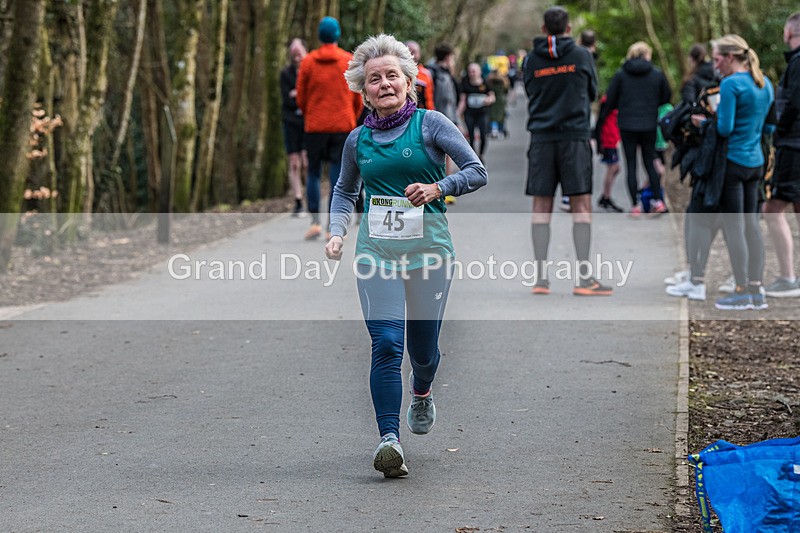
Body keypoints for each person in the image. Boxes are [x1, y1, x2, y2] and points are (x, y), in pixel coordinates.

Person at [325, 34, 487, 477]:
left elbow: (477, 171)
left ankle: (422, 389)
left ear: (408, 81)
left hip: (429, 253)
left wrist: (438, 188)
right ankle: (389, 440)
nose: (384, 84)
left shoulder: (432, 124)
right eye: (374, 79)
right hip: (376, 253)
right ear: (364, 90)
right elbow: (344, 191)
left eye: (391, 76)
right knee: (386, 343)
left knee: (423, 351)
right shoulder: (357, 140)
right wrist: (337, 232)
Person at [524, 6, 612, 296]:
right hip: (575, 138)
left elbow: (529, 91)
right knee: (581, 207)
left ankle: (541, 280)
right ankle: (584, 279)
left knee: (541, 207)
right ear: (569, 29)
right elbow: (592, 92)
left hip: (541, 139)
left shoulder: (531, 59)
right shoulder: (582, 56)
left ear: (543, 28)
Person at [689, 35, 774, 310]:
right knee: (752, 226)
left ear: (730, 57)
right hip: (755, 162)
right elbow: (769, 126)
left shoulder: (730, 84)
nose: (715, 66)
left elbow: (724, 128)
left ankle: (740, 291)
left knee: (734, 226)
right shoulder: (765, 83)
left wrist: (704, 124)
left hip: (732, 164)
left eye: (717, 60)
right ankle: (756, 289)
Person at [296, 17, 363, 240]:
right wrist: (350, 117)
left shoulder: (308, 62)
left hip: (314, 125)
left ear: (319, 35)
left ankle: (315, 222)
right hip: (342, 125)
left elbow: (301, 97)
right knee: (338, 175)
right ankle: (332, 228)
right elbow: (358, 97)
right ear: (337, 34)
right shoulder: (348, 60)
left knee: (313, 173)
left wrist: (310, 114)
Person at [597, 41, 671, 217]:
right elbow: (666, 96)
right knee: (649, 162)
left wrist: (599, 126)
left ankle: (635, 205)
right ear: (647, 55)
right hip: (649, 123)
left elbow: (610, 101)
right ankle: (657, 201)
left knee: (631, 164)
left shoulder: (621, 75)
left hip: (627, 124)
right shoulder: (657, 74)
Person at [764, 12, 800, 298]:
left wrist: (779, 131)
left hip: (794, 147)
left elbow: (793, 104)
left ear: (788, 33)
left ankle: (788, 278)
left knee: (772, 210)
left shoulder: (798, 63)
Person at [279, 38, 308, 216]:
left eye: (299, 54)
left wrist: (297, 94)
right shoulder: (285, 74)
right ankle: (298, 200)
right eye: (293, 54)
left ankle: (310, 195)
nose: (296, 57)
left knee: (306, 161)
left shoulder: (310, 71)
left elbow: (311, 98)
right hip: (291, 122)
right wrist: (298, 97)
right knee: (294, 162)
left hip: (308, 122)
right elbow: (286, 99)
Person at [458, 63, 495, 160]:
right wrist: (458, 113)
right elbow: (463, 99)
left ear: (479, 72)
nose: (472, 74)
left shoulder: (485, 82)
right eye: (470, 72)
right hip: (469, 113)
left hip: (482, 113)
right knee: (471, 135)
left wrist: (489, 100)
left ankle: (481, 154)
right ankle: (473, 157)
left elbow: (492, 96)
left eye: (474, 71)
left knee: (483, 135)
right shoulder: (465, 83)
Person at [596, 94, 623, 212]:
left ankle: (605, 195)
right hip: (608, 139)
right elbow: (600, 120)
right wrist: (599, 141)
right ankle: (606, 197)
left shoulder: (616, 100)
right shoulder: (608, 101)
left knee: (615, 168)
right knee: (613, 167)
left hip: (612, 138)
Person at [405, 40, 435, 110]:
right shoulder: (398, 72)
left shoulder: (425, 74)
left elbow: (429, 98)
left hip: (421, 111)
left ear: (419, 54)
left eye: (414, 52)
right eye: (409, 52)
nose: (412, 55)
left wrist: (430, 112)